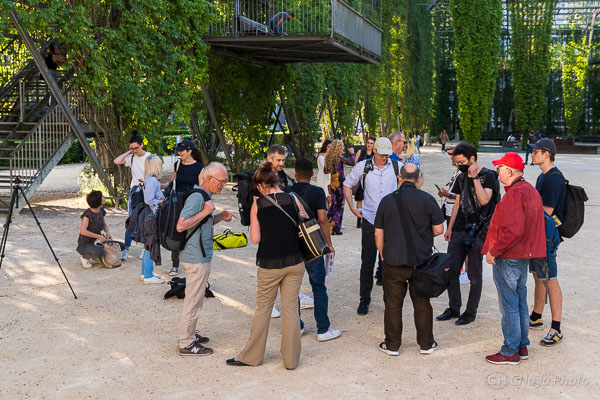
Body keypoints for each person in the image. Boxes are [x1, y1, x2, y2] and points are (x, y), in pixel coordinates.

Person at [227, 162, 307, 369]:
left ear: (261, 186)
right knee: (291, 310)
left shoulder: (259, 204)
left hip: (270, 263)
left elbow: (255, 238)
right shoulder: (293, 199)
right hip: (295, 261)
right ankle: (291, 360)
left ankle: (252, 356)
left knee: (263, 309)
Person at [482, 152, 546, 365]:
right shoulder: (529, 190)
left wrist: (494, 251)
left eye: (500, 168)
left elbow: (513, 231)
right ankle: (521, 345)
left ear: (508, 171)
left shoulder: (515, 193)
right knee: (519, 302)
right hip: (522, 256)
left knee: (509, 304)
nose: (498, 171)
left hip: (509, 256)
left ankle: (510, 351)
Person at [375, 164, 444, 356]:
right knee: (422, 304)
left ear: (399, 178)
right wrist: (421, 235)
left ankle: (392, 345)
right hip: (421, 261)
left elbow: (378, 232)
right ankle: (426, 344)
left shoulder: (386, 201)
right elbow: (439, 230)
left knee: (393, 305)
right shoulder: (428, 199)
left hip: (393, 261)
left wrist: (382, 253)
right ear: (419, 178)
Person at [176, 162, 236, 356]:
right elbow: (181, 225)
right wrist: (205, 211)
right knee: (193, 301)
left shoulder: (204, 197)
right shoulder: (197, 198)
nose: (223, 185)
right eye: (221, 181)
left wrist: (219, 216)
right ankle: (186, 343)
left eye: (226, 181)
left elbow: (202, 221)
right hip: (195, 258)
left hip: (198, 256)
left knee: (196, 299)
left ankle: (190, 334)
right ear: (209, 179)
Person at [437, 142, 499, 325]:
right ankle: (454, 307)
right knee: (451, 270)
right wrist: (450, 228)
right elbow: (457, 202)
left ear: (472, 158)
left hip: (479, 231)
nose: (459, 166)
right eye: (457, 163)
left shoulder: (489, 176)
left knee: (474, 274)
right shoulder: (460, 176)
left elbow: (485, 199)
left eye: (462, 162)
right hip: (459, 229)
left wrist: (473, 178)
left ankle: (470, 311)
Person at [343, 137, 402, 315]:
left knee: (390, 262)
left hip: (391, 221)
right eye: (382, 154)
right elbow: (347, 184)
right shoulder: (363, 167)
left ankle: (389, 300)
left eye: (387, 154)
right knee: (367, 261)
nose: (385, 157)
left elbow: (411, 183)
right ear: (374, 151)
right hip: (369, 218)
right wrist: (353, 208)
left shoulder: (397, 166)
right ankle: (364, 300)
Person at [287, 158, 340, 341]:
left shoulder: (288, 192)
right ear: (312, 174)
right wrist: (328, 243)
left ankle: (298, 325)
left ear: (295, 173)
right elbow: (323, 219)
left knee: (292, 289)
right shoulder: (317, 192)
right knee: (318, 286)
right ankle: (323, 329)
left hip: (293, 244)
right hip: (313, 244)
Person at [529, 138, 566, 347]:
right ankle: (536, 315)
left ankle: (556, 328)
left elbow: (546, 212)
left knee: (550, 278)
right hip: (540, 235)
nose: (532, 154)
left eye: (536, 151)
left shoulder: (553, 179)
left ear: (546, 154)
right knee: (538, 276)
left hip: (548, 237)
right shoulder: (543, 177)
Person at [161, 139, 205, 276]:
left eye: (181, 151)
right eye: (178, 151)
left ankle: (192, 262)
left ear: (189, 151)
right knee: (176, 232)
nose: (179, 153)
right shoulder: (178, 164)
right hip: (177, 203)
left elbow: (202, 187)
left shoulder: (199, 167)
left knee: (192, 232)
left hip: (192, 203)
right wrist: (157, 186)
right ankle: (175, 264)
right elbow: (171, 183)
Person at [113, 133, 152, 260]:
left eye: (136, 148)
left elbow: (155, 174)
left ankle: (145, 248)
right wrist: (129, 151)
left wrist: (145, 180)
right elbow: (116, 161)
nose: (135, 150)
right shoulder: (131, 157)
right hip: (135, 191)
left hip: (147, 190)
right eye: (132, 148)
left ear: (142, 145)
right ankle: (126, 249)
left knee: (147, 220)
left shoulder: (150, 157)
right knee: (131, 220)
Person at [76, 190, 125, 268]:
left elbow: (104, 224)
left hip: (98, 242)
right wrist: (98, 236)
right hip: (85, 244)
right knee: (100, 252)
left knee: (121, 246)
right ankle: (85, 257)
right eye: (102, 196)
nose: (104, 197)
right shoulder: (88, 214)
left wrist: (108, 232)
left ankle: (101, 256)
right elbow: (83, 231)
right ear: (98, 201)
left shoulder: (101, 210)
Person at [140, 155, 165, 284]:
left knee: (147, 245)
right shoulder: (152, 181)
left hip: (149, 215)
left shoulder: (150, 180)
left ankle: (145, 273)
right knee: (151, 244)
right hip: (152, 215)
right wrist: (162, 201)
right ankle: (148, 276)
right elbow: (149, 200)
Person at [325, 139, 355, 235]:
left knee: (333, 205)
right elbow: (352, 163)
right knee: (340, 206)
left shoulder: (328, 158)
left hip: (333, 182)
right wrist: (352, 154)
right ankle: (336, 228)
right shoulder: (340, 157)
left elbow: (326, 171)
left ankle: (327, 225)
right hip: (340, 183)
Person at [353, 136, 376, 228]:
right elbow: (355, 164)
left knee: (370, 199)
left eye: (371, 143)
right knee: (360, 199)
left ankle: (370, 218)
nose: (369, 144)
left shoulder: (375, 154)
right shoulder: (360, 152)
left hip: (372, 179)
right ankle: (359, 220)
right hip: (361, 179)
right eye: (368, 142)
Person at [316, 139, 333, 208]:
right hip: (323, 179)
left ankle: (328, 217)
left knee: (329, 200)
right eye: (328, 147)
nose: (330, 149)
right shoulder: (321, 156)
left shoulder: (331, 156)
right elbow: (326, 168)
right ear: (325, 146)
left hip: (329, 179)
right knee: (325, 199)